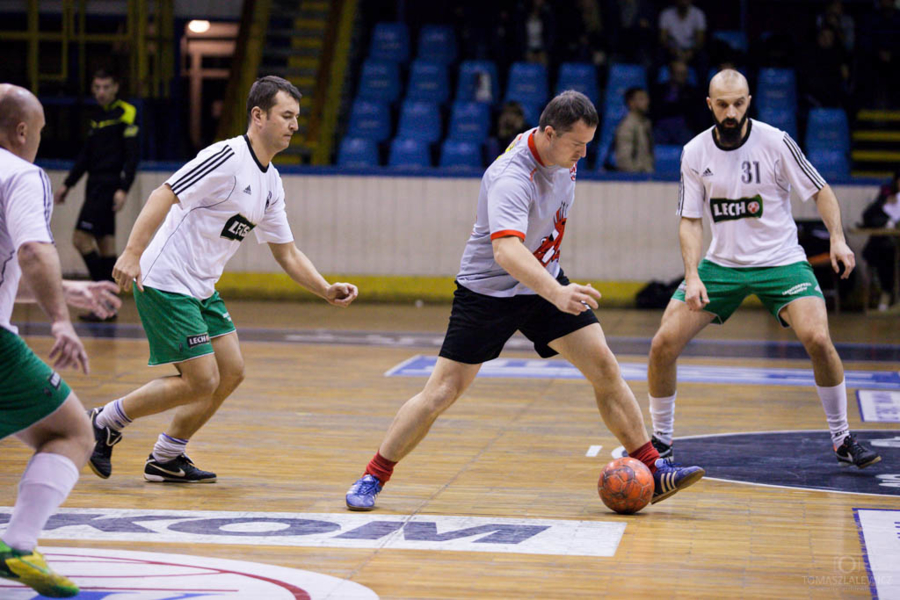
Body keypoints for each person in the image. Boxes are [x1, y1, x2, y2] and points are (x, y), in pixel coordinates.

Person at [344, 90, 705, 511]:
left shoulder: (562, 157)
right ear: (548, 134)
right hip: (489, 293)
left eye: (588, 143)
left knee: (604, 365)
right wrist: (557, 292)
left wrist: (552, 287)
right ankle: (374, 474)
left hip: (544, 283)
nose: (583, 154)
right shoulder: (511, 177)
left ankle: (652, 467)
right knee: (441, 392)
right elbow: (507, 252)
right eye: (576, 144)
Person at [87, 76, 359, 483]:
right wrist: (131, 252)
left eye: (296, 118)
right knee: (201, 380)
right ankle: (104, 421)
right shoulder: (226, 157)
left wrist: (324, 288)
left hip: (201, 287)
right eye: (286, 116)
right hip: (166, 279)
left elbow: (285, 251)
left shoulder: (270, 181)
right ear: (258, 116)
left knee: (231, 371)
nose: (294, 126)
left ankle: (166, 457)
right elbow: (163, 193)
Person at [645, 70, 881, 469]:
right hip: (722, 266)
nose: (731, 111)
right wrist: (692, 274)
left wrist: (837, 238)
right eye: (722, 104)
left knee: (819, 340)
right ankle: (661, 442)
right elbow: (689, 220)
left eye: (738, 103)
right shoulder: (695, 152)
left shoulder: (776, 141)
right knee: (662, 345)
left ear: (749, 101)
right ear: (709, 105)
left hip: (782, 262)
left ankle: (842, 438)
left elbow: (821, 190)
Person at [0, 84, 121, 597]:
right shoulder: (21, 174)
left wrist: (67, 291)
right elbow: (30, 250)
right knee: (73, 431)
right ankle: (18, 547)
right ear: (23, 130)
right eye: (42, 130)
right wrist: (60, 321)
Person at [53, 70, 139, 321]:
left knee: (80, 239)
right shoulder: (96, 118)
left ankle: (102, 301)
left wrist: (124, 187)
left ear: (115, 87)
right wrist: (68, 184)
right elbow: (85, 157)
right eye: (96, 87)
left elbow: (132, 156)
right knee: (105, 245)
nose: (100, 92)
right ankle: (108, 306)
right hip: (94, 185)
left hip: (108, 187)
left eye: (105, 86)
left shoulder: (126, 113)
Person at [861, 170, 900, 311]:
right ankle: (886, 292)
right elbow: (867, 216)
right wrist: (883, 202)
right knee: (883, 252)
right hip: (887, 243)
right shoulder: (886, 193)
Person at [614, 87, 654, 173]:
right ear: (631, 103)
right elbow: (624, 158)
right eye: (641, 99)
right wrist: (635, 175)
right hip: (634, 177)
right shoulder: (627, 126)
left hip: (645, 174)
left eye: (646, 98)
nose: (646, 102)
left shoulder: (645, 123)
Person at [658, 0, 706, 66]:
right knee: (659, 57)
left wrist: (691, 52)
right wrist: (673, 51)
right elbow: (663, 39)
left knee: (703, 60)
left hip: (691, 50)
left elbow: (700, 40)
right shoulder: (666, 14)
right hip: (671, 50)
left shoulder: (698, 14)